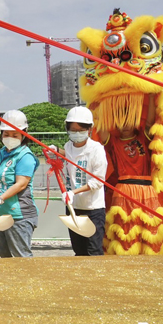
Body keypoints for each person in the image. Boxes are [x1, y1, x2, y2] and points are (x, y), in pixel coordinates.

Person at [96, 94, 163, 254]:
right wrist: (100, 101)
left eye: (128, 119)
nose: (125, 124)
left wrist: (150, 95)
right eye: (120, 121)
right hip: (123, 190)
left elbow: (150, 121)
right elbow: (102, 128)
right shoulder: (113, 141)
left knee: (150, 230)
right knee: (125, 231)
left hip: (147, 189)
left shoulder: (144, 137)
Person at [50, 107, 107, 256]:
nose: (77, 133)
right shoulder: (69, 146)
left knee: (93, 250)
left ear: (89, 129)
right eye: (73, 130)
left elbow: (98, 181)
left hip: (93, 208)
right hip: (73, 206)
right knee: (79, 250)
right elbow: (69, 156)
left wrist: (73, 192)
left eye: (81, 129)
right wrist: (56, 150)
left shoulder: (97, 150)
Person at [0, 109, 39, 258]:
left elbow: (21, 184)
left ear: (24, 134)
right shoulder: (3, 153)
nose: (10, 138)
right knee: (5, 257)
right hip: (2, 212)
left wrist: (0, 198)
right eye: (6, 134)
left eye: (15, 135)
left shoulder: (25, 156)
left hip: (19, 215)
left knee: (21, 257)